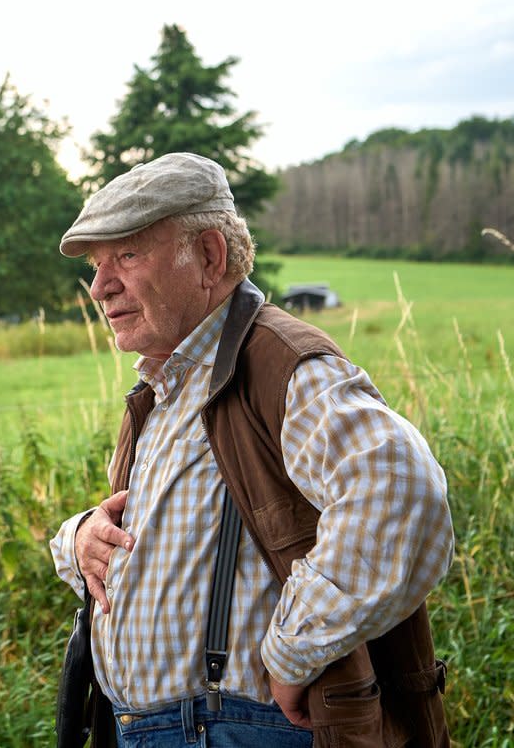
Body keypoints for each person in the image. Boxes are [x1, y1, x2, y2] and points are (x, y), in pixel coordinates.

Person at [49, 152, 454, 748]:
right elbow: (165, 535)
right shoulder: (166, 385)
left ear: (209, 256)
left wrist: (294, 652)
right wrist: (80, 537)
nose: (101, 286)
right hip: (158, 730)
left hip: (235, 729)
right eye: (96, 264)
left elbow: (402, 494)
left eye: (127, 256)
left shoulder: (279, 362)